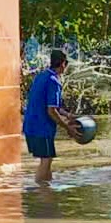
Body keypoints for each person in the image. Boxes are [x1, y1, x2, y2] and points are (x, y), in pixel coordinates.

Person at [22, 49, 79, 184]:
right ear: (63, 64)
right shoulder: (54, 81)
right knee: (46, 160)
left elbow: (52, 105)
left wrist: (68, 115)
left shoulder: (41, 76)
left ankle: (47, 191)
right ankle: (40, 195)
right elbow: (51, 111)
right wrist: (67, 128)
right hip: (41, 128)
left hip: (30, 126)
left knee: (47, 159)